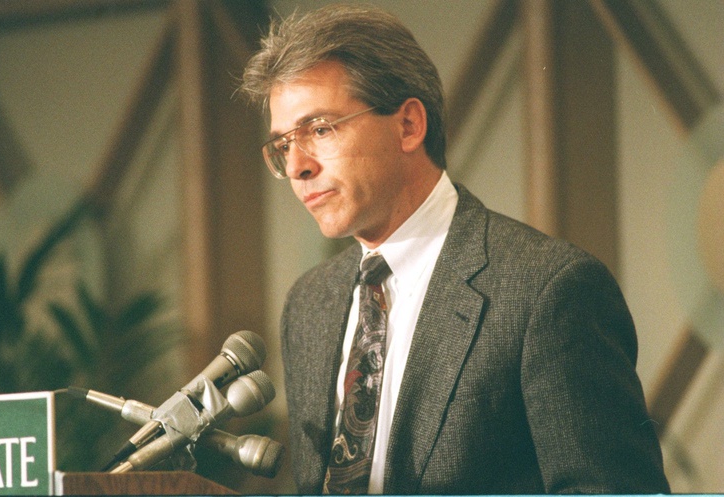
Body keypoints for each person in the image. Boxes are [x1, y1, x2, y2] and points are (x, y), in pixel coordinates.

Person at [240, 4, 669, 494]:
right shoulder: (310, 303)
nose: (297, 166)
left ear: (408, 126)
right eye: (282, 145)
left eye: (319, 129)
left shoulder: (548, 290)